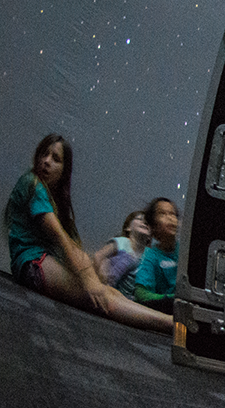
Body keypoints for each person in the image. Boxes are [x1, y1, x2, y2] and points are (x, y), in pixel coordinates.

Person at [4, 134, 170, 331]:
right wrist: (89, 280)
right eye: (44, 154)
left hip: (44, 261)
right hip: (32, 264)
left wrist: (94, 276)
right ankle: (171, 324)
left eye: (55, 159)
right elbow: (60, 237)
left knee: (110, 293)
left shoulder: (56, 199)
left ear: (64, 170)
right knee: (103, 300)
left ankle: (169, 321)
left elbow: (73, 246)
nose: (46, 161)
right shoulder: (31, 182)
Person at [133, 197, 179, 314]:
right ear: (153, 225)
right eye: (163, 214)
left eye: (172, 214)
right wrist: (171, 299)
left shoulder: (186, 251)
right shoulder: (151, 256)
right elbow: (141, 293)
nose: (170, 218)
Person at [93, 210, 151, 300]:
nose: (144, 222)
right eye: (139, 219)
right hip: (108, 290)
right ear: (128, 228)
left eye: (147, 222)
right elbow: (98, 256)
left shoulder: (149, 255)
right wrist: (98, 282)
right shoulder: (121, 242)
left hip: (128, 298)